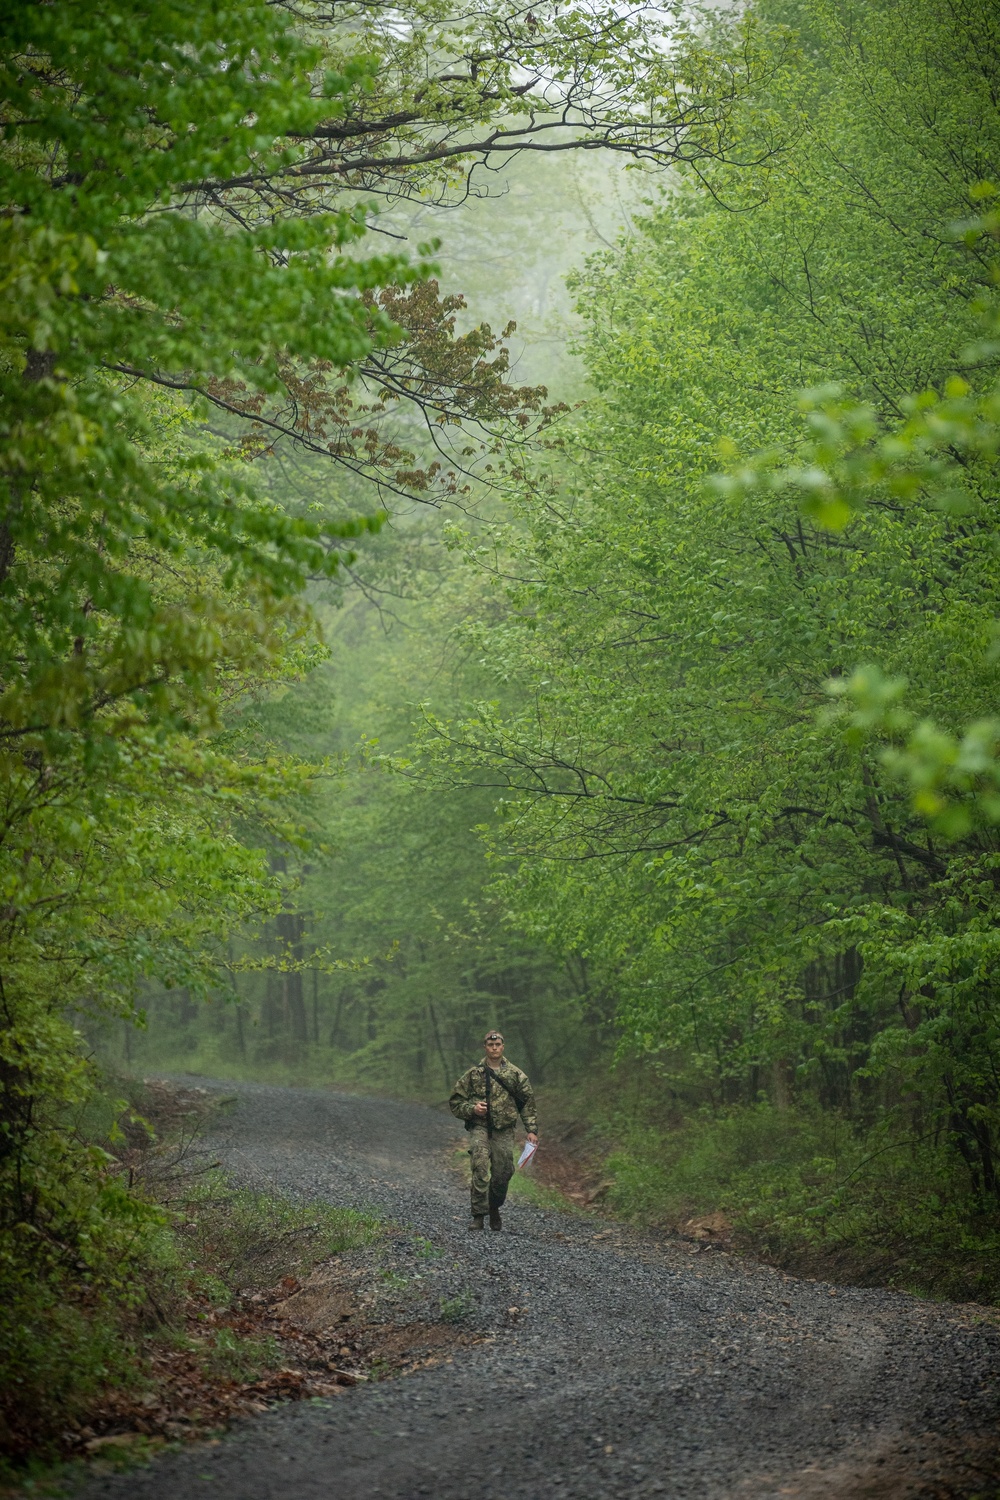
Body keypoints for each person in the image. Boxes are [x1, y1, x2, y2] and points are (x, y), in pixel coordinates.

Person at [449, 1031, 539, 1232]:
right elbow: (455, 1102)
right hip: (480, 1127)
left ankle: (494, 1206)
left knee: (503, 1172)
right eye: (491, 1045)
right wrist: (473, 1109)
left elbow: (527, 1103)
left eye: (498, 1044)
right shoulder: (473, 1075)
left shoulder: (515, 1075)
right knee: (479, 1166)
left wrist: (531, 1130)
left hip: (504, 1130)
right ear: (485, 1048)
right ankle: (478, 1215)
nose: (494, 1048)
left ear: (503, 1046)